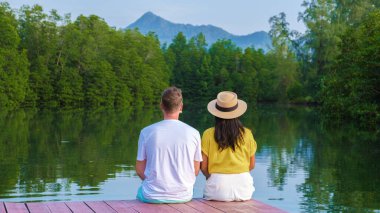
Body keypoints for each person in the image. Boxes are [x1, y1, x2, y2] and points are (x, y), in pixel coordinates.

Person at [135, 86, 202, 203]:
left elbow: (140, 170)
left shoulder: (146, 132)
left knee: (140, 193)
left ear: (161, 106)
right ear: (181, 107)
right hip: (183, 196)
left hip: (152, 195)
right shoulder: (194, 133)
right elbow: (196, 171)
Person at [201, 91, 257, 201]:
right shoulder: (247, 133)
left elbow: (203, 167)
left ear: (216, 113)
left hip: (217, 188)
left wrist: (211, 178)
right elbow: (252, 165)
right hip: (243, 189)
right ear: (237, 113)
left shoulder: (208, 134)